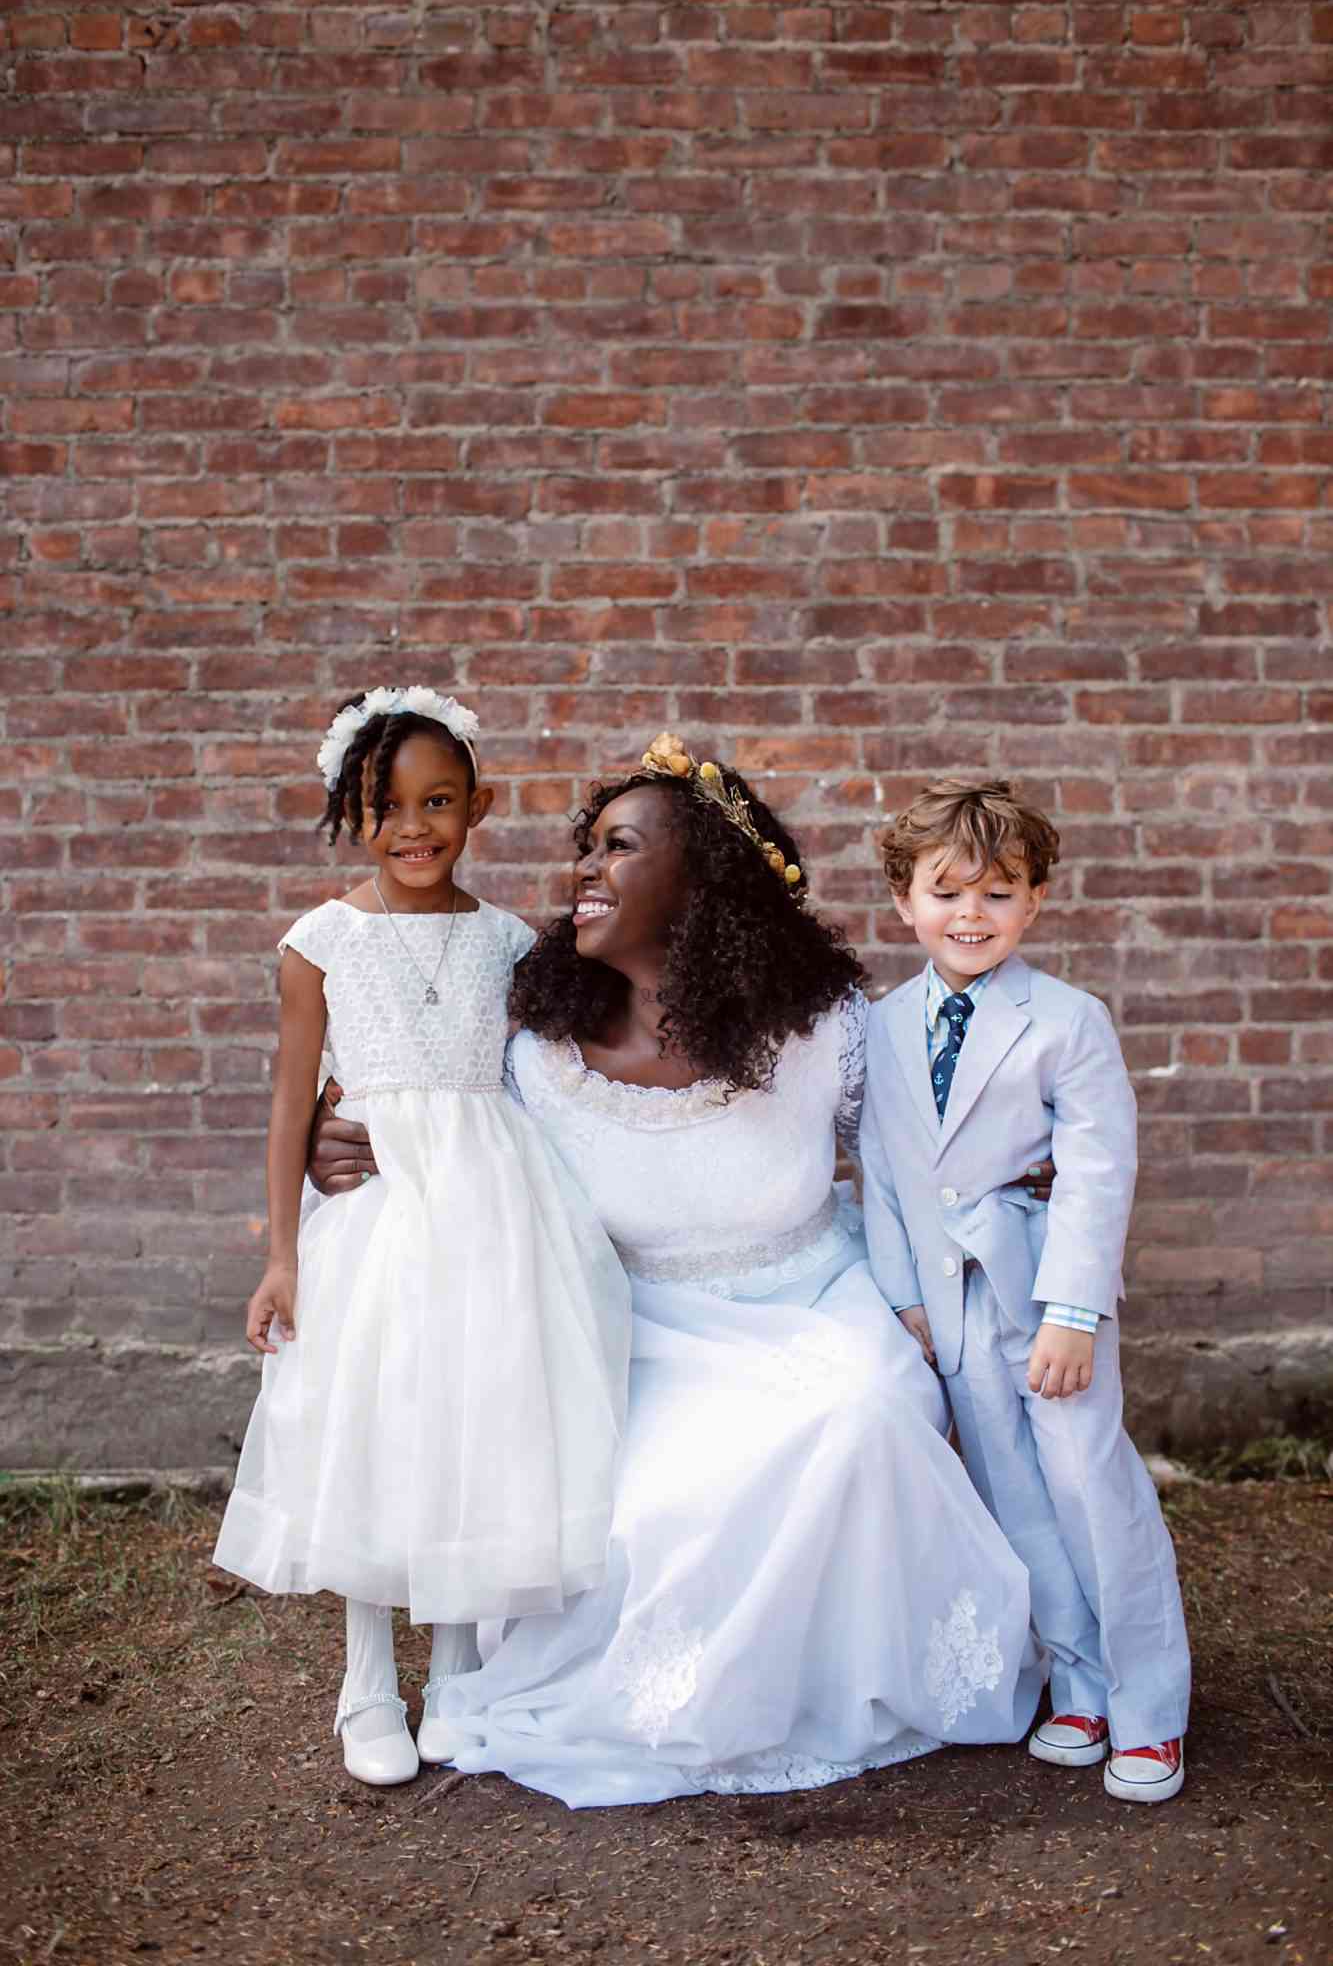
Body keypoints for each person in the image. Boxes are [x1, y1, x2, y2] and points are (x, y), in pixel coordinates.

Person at [315, 732, 1045, 1809]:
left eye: (617, 847)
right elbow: (421, 1117)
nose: (585, 871)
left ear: (700, 877)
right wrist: (350, 1145)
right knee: (642, 1508)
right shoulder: (534, 1048)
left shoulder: (818, 1026)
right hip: (633, 1326)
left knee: (856, 1416)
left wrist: (1015, 1165)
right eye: (587, 848)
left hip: (810, 1301)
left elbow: (914, 1161)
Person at [213, 687, 630, 1789]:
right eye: (387, 805)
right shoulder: (321, 942)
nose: (414, 826)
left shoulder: (508, 940)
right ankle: (365, 1679)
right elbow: (291, 1097)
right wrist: (283, 1252)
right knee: (380, 1418)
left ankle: (453, 1670)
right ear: (351, 813)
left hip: (494, 1202)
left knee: (477, 1414)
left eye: (438, 800)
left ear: (479, 803)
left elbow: (541, 1072)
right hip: (378, 1206)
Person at [859, 778, 1191, 1805]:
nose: (971, 914)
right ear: (905, 902)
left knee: (1093, 1492)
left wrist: (1074, 1311)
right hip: (949, 1309)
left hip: (1043, 1301)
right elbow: (878, 1165)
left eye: (998, 894)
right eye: (947, 891)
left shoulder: (1066, 1020)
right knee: (1012, 1501)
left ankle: (1149, 1705)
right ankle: (1077, 1680)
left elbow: (1097, 1172)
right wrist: (906, 1300)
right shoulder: (879, 1023)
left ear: (1034, 903)